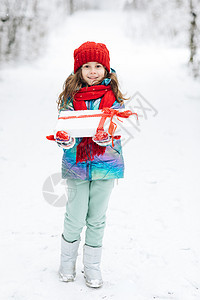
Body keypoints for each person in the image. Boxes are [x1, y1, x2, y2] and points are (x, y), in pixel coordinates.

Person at [56, 41, 127, 288]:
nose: (93, 71)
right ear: (79, 70)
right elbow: (63, 129)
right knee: (75, 216)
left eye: (98, 66)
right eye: (87, 66)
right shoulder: (69, 97)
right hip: (77, 164)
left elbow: (120, 126)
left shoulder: (114, 97)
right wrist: (65, 140)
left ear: (106, 68)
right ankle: (66, 263)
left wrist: (109, 136)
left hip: (106, 165)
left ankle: (93, 266)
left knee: (97, 217)